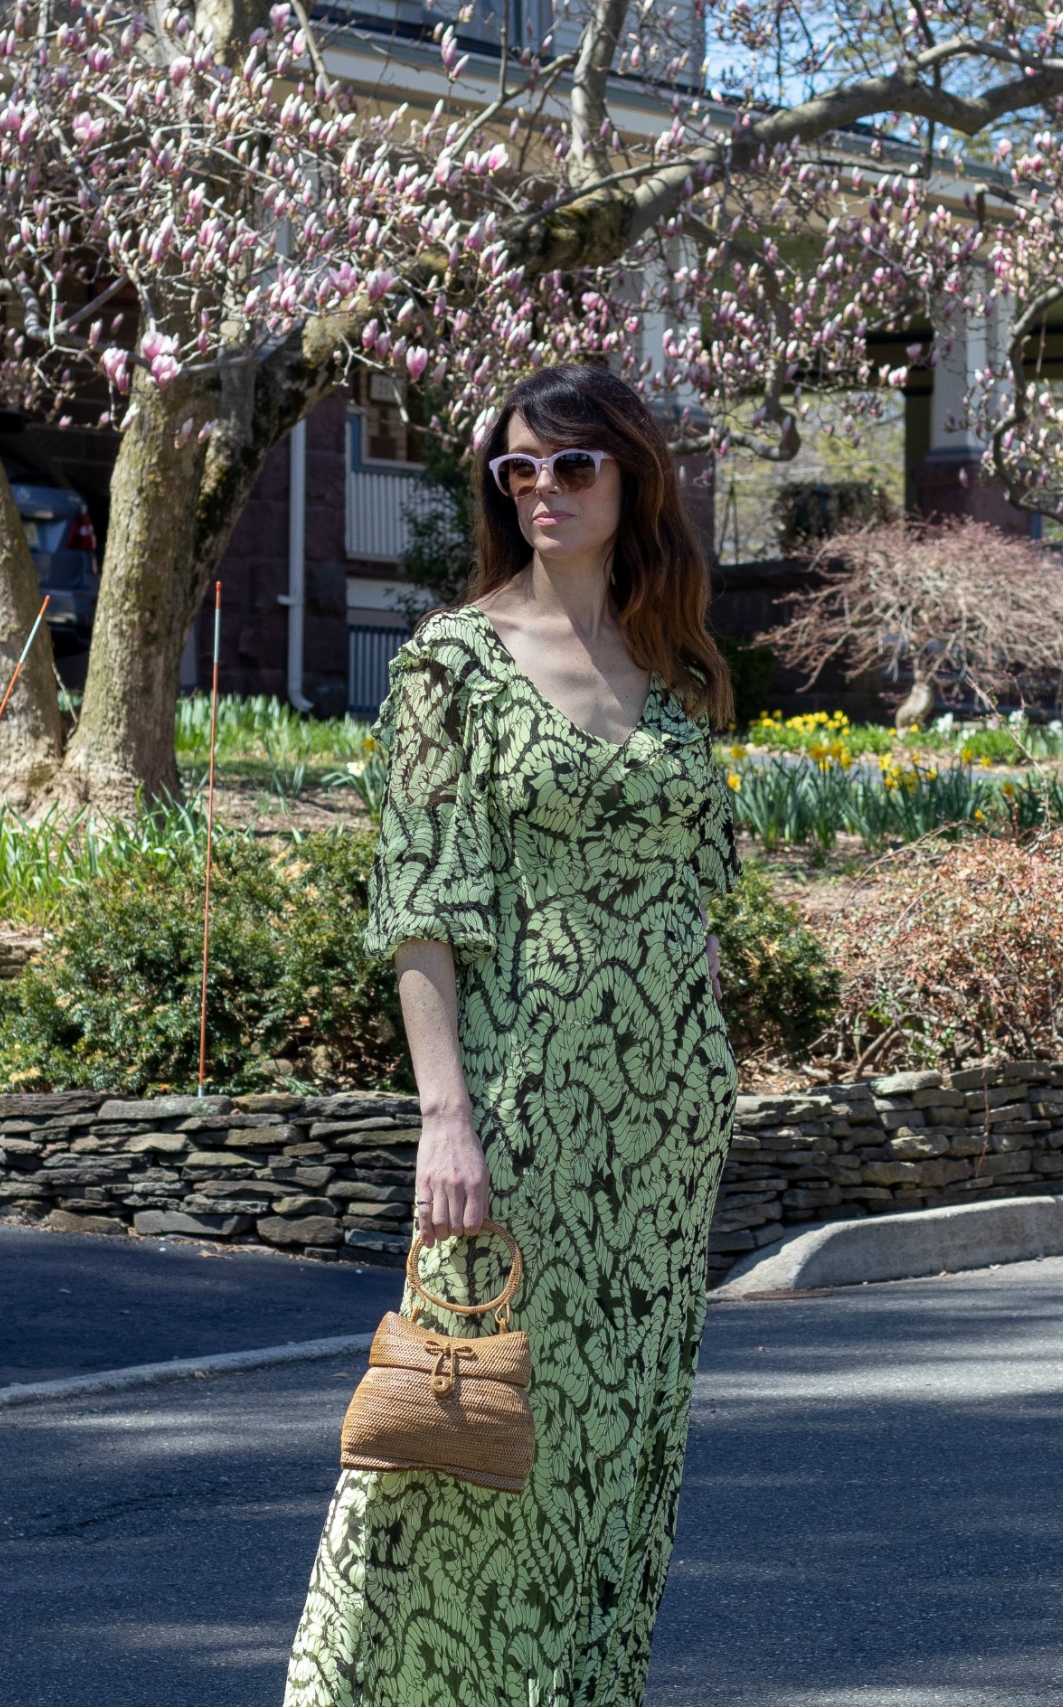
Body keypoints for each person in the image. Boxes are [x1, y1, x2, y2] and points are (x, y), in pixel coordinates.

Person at [281, 363, 740, 1707]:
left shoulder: (676, 663)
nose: (542, 490)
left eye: (573, 467)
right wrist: (446, 1119)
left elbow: (705, 888)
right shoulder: (451, 663)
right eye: (517, 470)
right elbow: (422, 912)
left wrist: (690, 1015)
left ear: (631, 480)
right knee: (481, 1412)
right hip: (524, 1090)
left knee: (623, 1425)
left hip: (667, 1111)